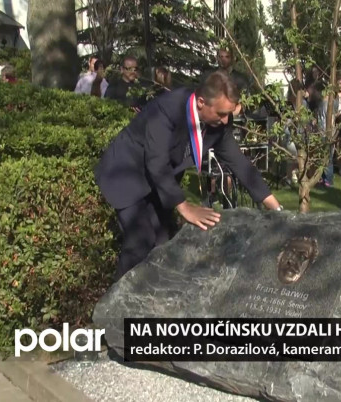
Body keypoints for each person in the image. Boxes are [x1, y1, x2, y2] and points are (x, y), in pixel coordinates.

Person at [95, 71, 284, 281]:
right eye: (221, 113)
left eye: (228, 114)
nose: (225, 120)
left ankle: (151, 297)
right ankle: (118, 299)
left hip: (159, 183)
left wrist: (278, 210)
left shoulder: (219, 123)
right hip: (127, 174)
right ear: (201, 102)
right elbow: (157, 162)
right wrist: (185, 208)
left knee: (163, 243)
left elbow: (240, 164)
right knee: (141, 240)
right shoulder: (168, 108)